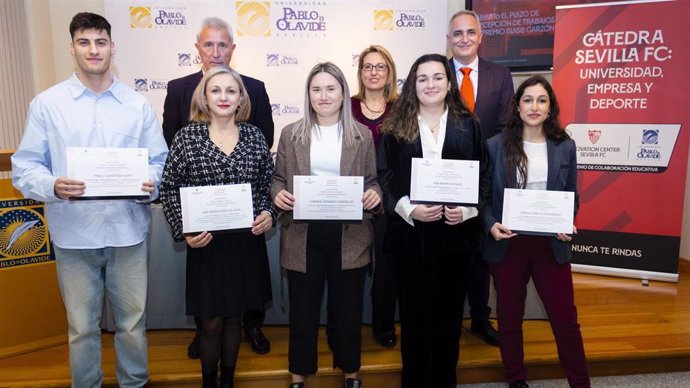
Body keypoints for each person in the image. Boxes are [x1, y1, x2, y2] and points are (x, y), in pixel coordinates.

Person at [11, 12, 168, 388]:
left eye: (100, 42)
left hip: (128, 232)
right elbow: (24, 167)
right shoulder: (47, 104)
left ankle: (134, 383)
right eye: (84, 42)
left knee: (132, 324)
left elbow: (160, 162)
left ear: (113, 47)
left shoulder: (137, 105)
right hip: (73, 234)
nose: (93, 50)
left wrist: (153, 183)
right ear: (72, 48)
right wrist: (53, 185)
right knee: (81, 328)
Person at [162, 16, 274, 357]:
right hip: (205, 238)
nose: (215, 51)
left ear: (241, 98)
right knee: (211, 321)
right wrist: (184, 227)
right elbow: (171, 180)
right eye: (208, 44)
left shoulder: (253, 128)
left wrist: (268, 211)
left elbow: (264, 177)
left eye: (222, 44)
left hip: (244, 238)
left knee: (235, 316)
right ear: (204, 97)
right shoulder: (186, 131)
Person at [378, 54, 489, 388]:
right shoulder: (395, 126)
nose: (430, 84)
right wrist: (408, 208)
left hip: (456, 238)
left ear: (449, 83)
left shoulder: (468, 125)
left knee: (449, 319)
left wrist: (467, 211)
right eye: (422, 78)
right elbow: (385, 176)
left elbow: (483, 178)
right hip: (411, 238)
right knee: (413, 319)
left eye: (437, 77)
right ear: (413, 84)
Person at [272, 62, 382, 388]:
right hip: (303, 235)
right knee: (302, 313)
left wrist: (374, 195)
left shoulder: (361, 135)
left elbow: (373, 182)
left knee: (348, 312)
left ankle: (351, 373)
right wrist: (278, 195)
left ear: (343, 93)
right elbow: (277, 180)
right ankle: (298, 375)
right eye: (316, 89)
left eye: (330, 88)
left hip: (350, 235)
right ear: (308, 94)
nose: (323, 95)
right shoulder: (291, 134)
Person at [483, 76, 590, 388]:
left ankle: (580, 382)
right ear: (517, 106)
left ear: (550, 107)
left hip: (550, 244)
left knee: (565, 320)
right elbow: (484, 197)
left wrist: (567, 220)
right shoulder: (494, 146)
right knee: (510, 317)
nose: (534, 106)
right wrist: (490, 224)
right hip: (509, 243)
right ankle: (516, 379)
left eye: (541, 100)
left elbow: (571, 194)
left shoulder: (565, 145)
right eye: (527, 100)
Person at [447, 9, 514, 346]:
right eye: (457, 33)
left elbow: (504, 128)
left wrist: (480, 164)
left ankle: (479, 317)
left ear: (480, 36)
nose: (464, 38)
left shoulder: (500, 76)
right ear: (449, 39)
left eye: (470, 32)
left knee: (480, 254)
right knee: (446, 252)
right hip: (443, 179)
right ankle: (447, 319)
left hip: (485, 178)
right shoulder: (436, 73)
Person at [351, 44, 399, 348]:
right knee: (349, 271)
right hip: (348, 200)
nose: (373, 72)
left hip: (388, 202)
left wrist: (385, 193)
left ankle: (383, 328)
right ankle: (345, 329)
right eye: (368, 66)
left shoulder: (401, 108)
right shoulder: (346, 105)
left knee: (385, 270)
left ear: (390, 72)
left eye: (380, 66)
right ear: (360, 72)